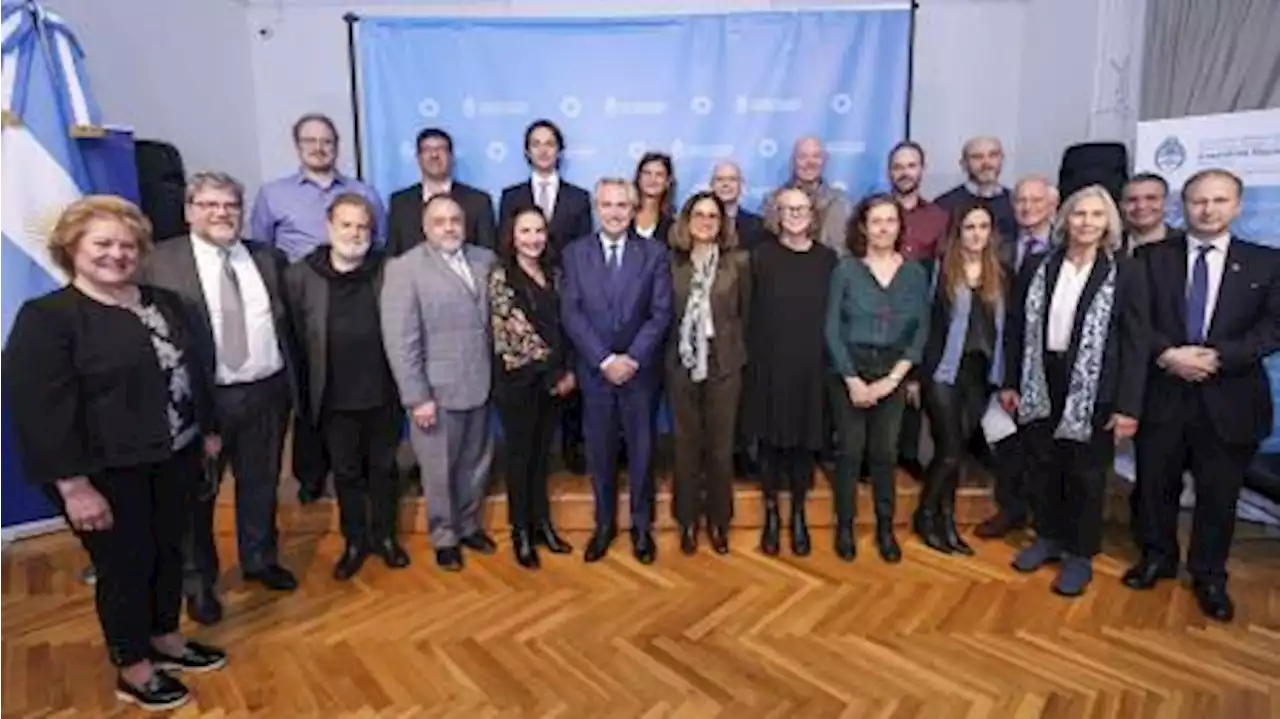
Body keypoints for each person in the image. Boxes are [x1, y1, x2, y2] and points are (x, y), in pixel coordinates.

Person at [5, 196, 227, 711]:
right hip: (103, 473)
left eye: (128, 245)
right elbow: (41, 412)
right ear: (72, 247)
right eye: (102, 243)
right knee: (125, 566)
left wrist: (207, 431)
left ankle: (167, 638)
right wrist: (73, 485)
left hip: (174, 454)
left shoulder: (162, 303)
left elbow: (193, 372)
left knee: (170, 551)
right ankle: (134, 666)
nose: (117, 255)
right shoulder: (48, 319)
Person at [141, 172, 302, 628]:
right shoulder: (161, 262)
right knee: (199, 497)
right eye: (209, 205)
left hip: (267, 391)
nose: (221, 213)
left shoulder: (267, 258)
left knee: (261, 482)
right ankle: (200, 583)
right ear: (190, 211)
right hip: (202, 401)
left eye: (230, 205)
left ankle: (259, 559)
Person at [1127, 169, 1280, 622]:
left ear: (1237, 205)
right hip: (1163, 393)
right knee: (1156, 485)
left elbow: (1273, 327)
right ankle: (1157, 557)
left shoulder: (1266, 263)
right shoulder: (1151, 258)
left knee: (1218, 494)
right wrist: (1168, 354)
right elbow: (1135, 322)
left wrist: (1217, 357)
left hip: (1229, 397)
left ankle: (1209, 574)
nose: (1207, 209)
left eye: (1218, 201)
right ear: (1182, 205)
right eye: (1198, 201)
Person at [1001, 184, 1149, 597]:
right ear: (1065, 219)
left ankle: (1080, 554)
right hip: (1040, 377)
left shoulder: (1126, 271)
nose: (1086, 223)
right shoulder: (1037, 265)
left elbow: (1137, 343)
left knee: (1086, 474)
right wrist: (1012, 381)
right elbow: (1016, 329)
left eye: (1096, 216)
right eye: (1079, 214)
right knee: (1043, 463)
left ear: (1109, 223)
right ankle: (1047, 537)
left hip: (1096, 385)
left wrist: (1127, 406)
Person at [285, 193, 409, 580]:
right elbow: (292, 340)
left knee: (384, 469)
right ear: (329, 227)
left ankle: (385, 537)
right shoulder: (301, 275)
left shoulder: (389, 270)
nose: (355, 234)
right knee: (346, 473)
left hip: (384, 392)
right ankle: (355, 541)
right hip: (333, 399)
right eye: (347, 225)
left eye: (362, 227)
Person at [381, 194, 498, 571]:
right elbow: (401, 340)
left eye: (455, 220)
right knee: (438, 469)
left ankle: (468, 526)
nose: (449, 228)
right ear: (425, 226)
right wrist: (417, 397)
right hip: (435, 391)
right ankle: (444, 536)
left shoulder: (485, 260)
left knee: (476, 463)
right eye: (440, 221)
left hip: (481, 382)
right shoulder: (405, 268)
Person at [561, 178, 673, 565]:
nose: (614, 212)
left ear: (633, 208)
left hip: (640, 373)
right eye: (607, 205)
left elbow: (660, 314)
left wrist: (632, 358)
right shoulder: (575, 254)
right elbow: (571, 313)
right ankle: (604, 524)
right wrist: (605, 360)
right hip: (596, 374)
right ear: (596, 206)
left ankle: (642, 527)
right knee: (600, 451)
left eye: (622, 205)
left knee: (642, 452)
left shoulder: (655, 253)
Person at [824, 194, 930, 563]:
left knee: (885, 453)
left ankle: (886, 528)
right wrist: (852, 379)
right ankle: (845, 527)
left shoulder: (916, 274)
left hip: (893, 372)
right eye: (876, 221)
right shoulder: (846, 270)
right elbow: (832, 329)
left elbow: (921, 332)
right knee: (850, 452)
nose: (884, 228)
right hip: (849, 368)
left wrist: (894, 379)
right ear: (863, 227)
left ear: (900, 226)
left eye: (890, 221)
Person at [743, 188, 839, 557]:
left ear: (812, 215)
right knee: (770, 443)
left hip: (812, 366)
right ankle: (771, 514)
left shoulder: (828, 260)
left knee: (804, 445)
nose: (795, 215)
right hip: (768, 364)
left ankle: (798, 515)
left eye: (802, 209)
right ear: (777, 215)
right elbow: (749, 312)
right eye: (788, 209)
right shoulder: (760, 257)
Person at [497, 119, 593, 475]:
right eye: (536, 143)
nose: (542, 149)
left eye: (549, 143)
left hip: (562, 296)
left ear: (559, 150)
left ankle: (571, 448)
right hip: (523, 301)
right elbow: (503, 250)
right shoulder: (510, 196)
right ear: (526, 150)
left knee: (567, 378)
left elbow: (582, 251)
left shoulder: (578, 197)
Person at [914, 202, 1006, 555]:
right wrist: (914, 376)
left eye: (983, 227)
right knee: (949, 451)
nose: (977, 234)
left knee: (958, 452)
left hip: (979, 374)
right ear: (956, 232)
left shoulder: (1000, 272)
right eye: (970, 227)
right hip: (941, 371)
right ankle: (926, 515)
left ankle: (947, 522)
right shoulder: (935, 272)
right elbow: (922, 326)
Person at [489, 206, 577, 569]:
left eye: (539, 231)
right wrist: (552, 374)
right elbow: (515, 335)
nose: (533, 239)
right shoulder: (501, 278)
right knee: (519, 459)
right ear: (512, 236)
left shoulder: (555, 274)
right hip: (519, 384)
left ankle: (542, 525)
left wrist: (569, 371)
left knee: (543, 459)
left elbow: (568, 325)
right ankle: (520, 532)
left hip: (555, 385)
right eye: (525, 231)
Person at [666, 191, 752, 555]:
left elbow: (745, 315)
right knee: (686, 448)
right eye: (698, 215)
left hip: (725, 366)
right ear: (687, 221)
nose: (705, 221)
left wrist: (729, 351)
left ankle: (719, 520)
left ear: (722, 223)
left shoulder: (739, 263)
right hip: (681, 365)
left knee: (719, 448)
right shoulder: (670, 263)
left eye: (712, 216)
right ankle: (687, 521)